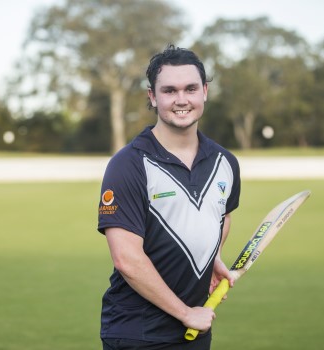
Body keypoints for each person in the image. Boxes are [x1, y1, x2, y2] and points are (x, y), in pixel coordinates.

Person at [97, 44, 241, 349]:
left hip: (194, 330)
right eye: (169, 90)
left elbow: (221, 217)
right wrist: (186, 313)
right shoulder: (129, 164)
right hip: (137, 333)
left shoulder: (224, 162)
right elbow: (126, 259)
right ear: (152, 96)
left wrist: (211, 256)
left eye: (190, 88)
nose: (181, 100)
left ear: (205, 91)